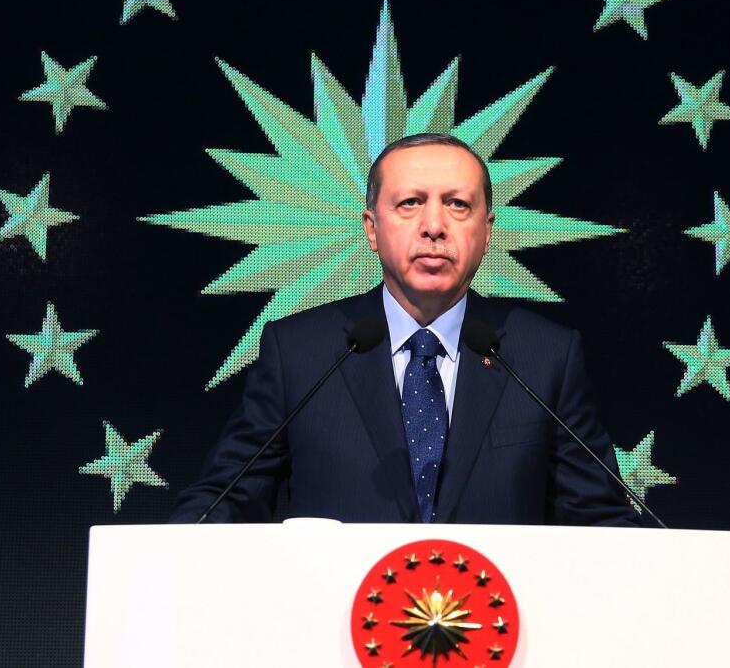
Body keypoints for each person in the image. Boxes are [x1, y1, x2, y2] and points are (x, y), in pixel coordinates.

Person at [168, 133, 641, 526]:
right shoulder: (299, 352)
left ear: (487, 230)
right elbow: (225, 500)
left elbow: (600, 522)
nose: (434, 225)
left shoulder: (545, 356)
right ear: (372, 229)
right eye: (410, 203)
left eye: (457, 205)